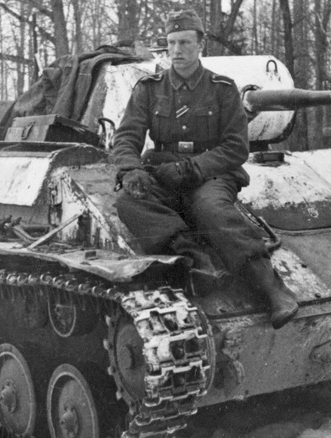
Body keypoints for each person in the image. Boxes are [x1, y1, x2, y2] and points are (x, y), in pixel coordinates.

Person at [110, 9, 299, 329]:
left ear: (200, 45)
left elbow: (236, 148)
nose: (177, 50)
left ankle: (273, 289)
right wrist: (129, 170)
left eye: (184, 42)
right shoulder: (149, 89)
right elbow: (127, 136)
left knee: (211, 209)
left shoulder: (223, 90)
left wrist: (193, 168)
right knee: (129, 202)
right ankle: (200, 261)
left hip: (212, 173)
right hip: (165, 174)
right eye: (171, 43)